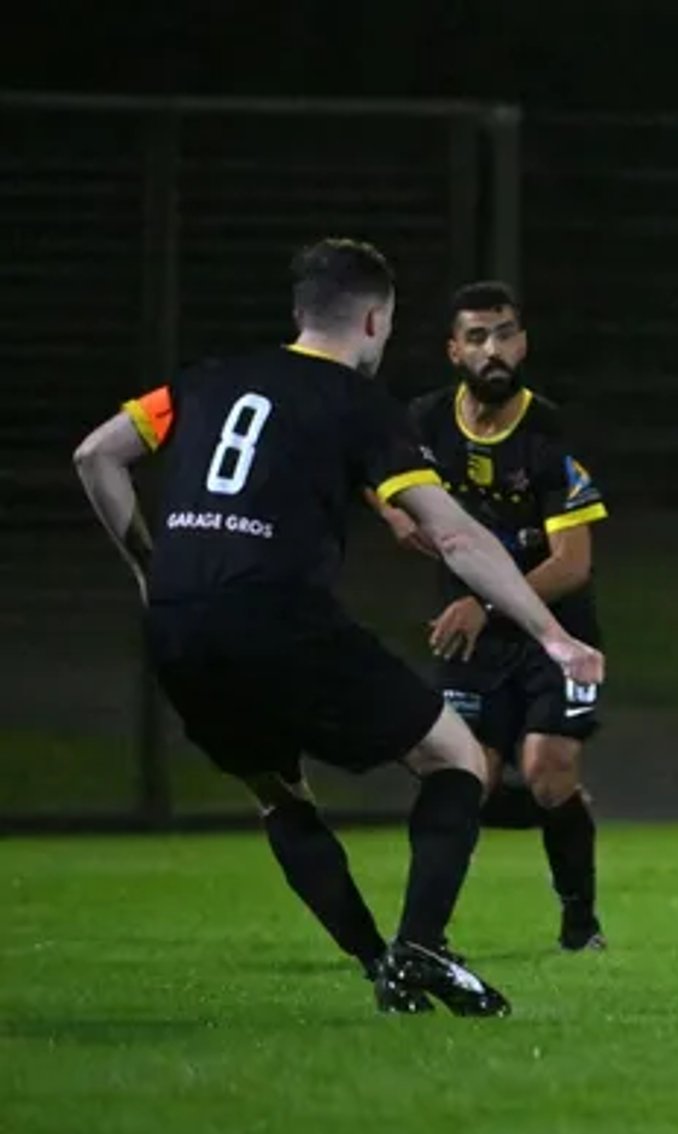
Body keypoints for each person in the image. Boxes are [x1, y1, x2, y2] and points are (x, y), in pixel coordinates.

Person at [72, 238, 604, 1016]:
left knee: (279, 793)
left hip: (179, 625)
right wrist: (553, 636)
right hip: (277, 613)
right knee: (455, 760)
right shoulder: (357, 403)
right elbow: (454, 533)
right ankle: (420, 948)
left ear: (298, 314)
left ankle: (377, 962)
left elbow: (95, 456)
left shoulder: (201, 381)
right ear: (374, 320)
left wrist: (149, 568)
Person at [368, 280, 608, 950]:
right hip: (475, 642)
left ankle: (580, 922)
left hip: (557, 635)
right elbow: (367, 465)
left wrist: (482, 598)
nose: (493, 349)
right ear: (453, 350)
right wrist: (391, 511)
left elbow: (572, 562)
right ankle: (426, 937)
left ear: (523, 342)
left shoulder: (552, 431)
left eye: (504, 334)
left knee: (547, 772)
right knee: (459, 777)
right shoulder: (424, 422)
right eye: (477, 337)